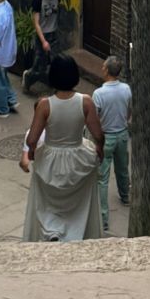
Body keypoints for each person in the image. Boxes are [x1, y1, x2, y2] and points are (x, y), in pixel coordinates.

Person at [21, 53, 104, 242]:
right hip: (78, 155)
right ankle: (77, 233)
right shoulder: (85, 101)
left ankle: (52, 232)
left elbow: (32, 138)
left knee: (47, 203)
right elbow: (98, 134)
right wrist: (100, 148)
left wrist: (33, 152)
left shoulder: (44, 105)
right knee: (79, 204)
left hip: (50, 157)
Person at [93, 54, 132, 232]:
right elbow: (129, 111)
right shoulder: (126, 89)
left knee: (103, 179)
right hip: (122, 135)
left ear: (108, 71)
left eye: (103, 67)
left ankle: (103, 218)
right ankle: (125, 196)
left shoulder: (99, 94)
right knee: (123, 169)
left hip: (106, 137)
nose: (102, 69)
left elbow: (94, 118)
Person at [22, 0, 59, 94]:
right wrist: (43, 41)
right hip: (42, 35)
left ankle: (55, 86)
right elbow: (36, 23)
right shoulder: (38, 1)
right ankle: (28, 78)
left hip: (54, 34)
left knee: (55, 63)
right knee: (39, 64)